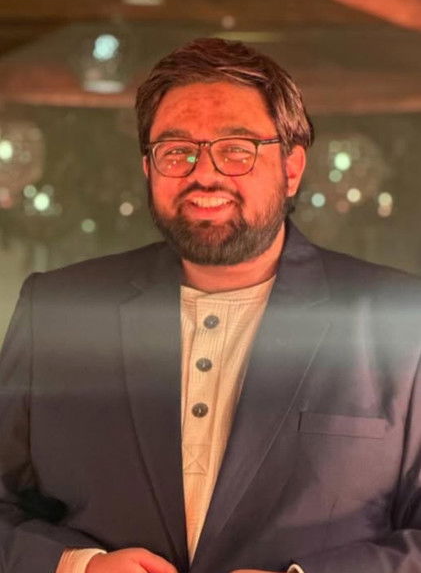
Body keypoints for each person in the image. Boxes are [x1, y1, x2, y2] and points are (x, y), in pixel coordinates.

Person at [0, 38, 420, 573]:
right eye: (176, 150)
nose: (204, 173)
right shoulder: (58, 312)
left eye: (237, 148)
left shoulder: (401, 318)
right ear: (149, 167)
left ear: (291, 167)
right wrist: (76, 566)